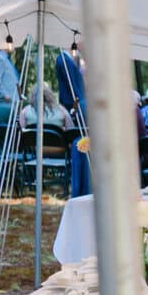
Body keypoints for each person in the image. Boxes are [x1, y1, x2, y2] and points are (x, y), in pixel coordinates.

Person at [55, 46, 90, 196]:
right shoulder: (64, 60)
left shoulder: (68, 60)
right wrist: (79, 103)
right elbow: (73, 85)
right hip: (73, 103)